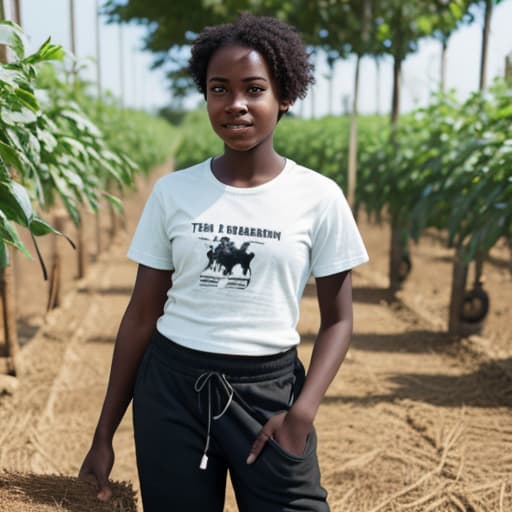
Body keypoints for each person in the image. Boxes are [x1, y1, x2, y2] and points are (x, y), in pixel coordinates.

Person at [79, 12, 369, 512]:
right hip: (171, 393)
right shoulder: (174, 192)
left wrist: (300, 414)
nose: (236, 104)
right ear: (206, 96)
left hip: (270, 394)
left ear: (286, 97)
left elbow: (339, 319)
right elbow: (141, 315)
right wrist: (104, 432)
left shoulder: (319, 197)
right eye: (220, 89)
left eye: (254, 89)